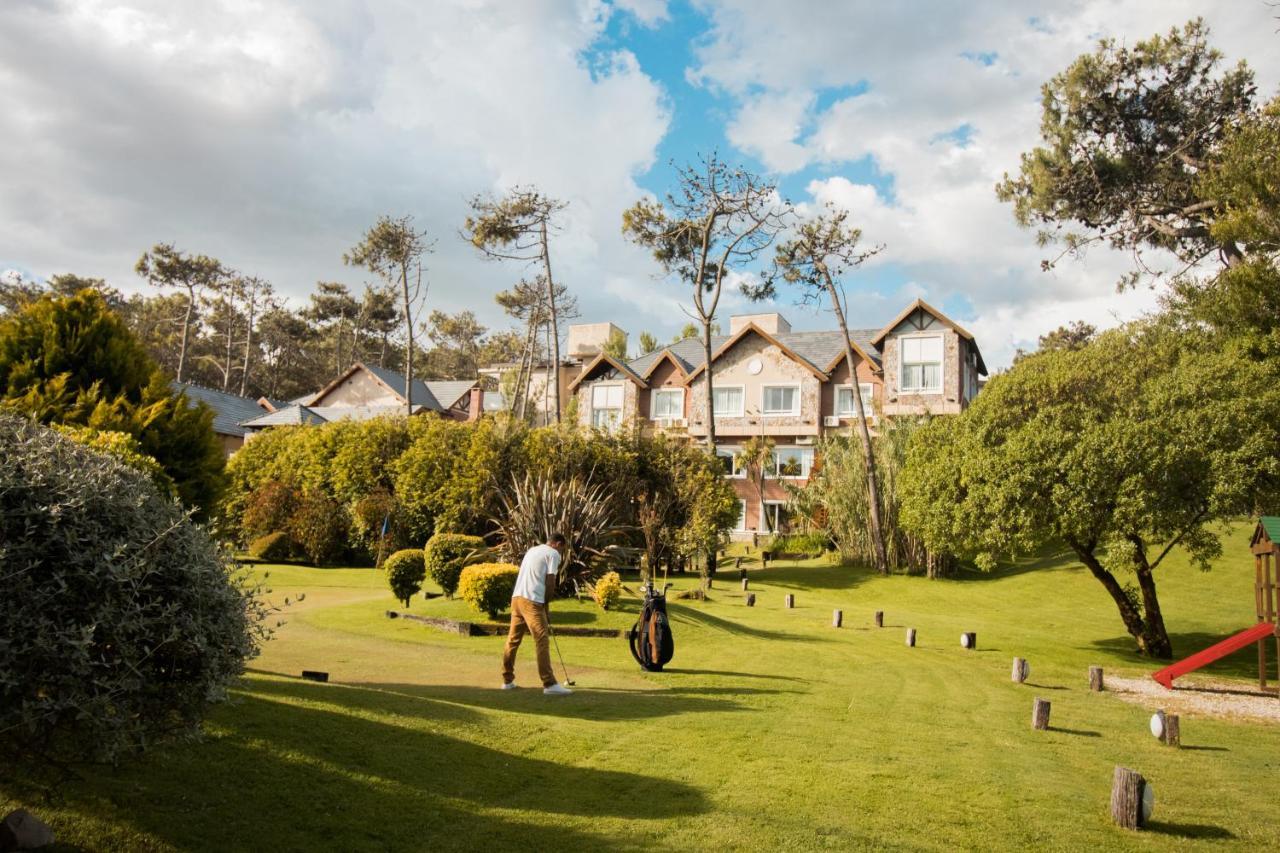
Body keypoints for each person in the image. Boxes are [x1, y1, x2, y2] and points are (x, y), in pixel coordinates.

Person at [501, 533, 572, 695]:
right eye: (562, 549)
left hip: (517, 598)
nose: (561, 553)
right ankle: (549, 684)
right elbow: (550, 581)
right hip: (532, 601)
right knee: (541, 640)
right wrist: (546, 603)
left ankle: (507, 680)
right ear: (558, 544)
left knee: (513, 640)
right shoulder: (552, 553)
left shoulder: (532, 550)